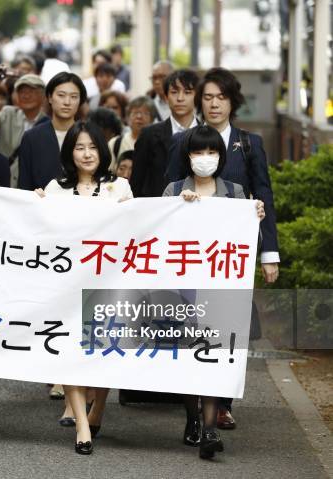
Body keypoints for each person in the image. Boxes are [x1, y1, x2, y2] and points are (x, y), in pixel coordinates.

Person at [165, 68, 281, 429]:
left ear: (233, 102)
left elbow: (263, 196)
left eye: (222, 97)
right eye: (208, 97)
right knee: (190, 326)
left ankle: (222, 403)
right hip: (189, 256)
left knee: (229, 328)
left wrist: (269, 254)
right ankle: (194, 403)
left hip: (231, 256)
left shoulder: (248, 144)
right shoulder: (184, 141)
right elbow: (166, 194)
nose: (214, 104)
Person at [162, 124, 265, 459]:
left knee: (213, 356)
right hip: (184, 290)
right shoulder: (173, 190)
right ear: (187, 155)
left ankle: (208, 429)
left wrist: (256, 220)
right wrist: (178, 208)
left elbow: (251, 246)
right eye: (197, 151)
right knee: (190, 355)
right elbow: (155, 239)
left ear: (221, 157)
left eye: (211, 152)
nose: (204, 158)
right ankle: (193, 419)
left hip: (222, 289)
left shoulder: (235, 193)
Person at [35, 121, 133, 455]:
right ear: (70, 153)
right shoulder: (55, 188)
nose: (87, 153)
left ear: (102, 151)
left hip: (108, 283)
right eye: (79, 147)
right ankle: (81, 424)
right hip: (66, 284)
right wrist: (34, 204)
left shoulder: (120, 188)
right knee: (70, 352)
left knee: (104, 351)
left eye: (92, 147)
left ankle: (99, 409)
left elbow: (135, 231)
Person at [131, 69, 200, 197]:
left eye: (187, 92)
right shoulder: (149, 135)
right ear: (166, 96)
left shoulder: (208, 135)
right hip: (157, 209)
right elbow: (137, 181)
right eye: (174, 92)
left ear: (197, 96)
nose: (180, 98)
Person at [18, 72, 86, 191]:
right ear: (50, 97)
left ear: (80, 101)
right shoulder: (32, 138)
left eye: (74, 97)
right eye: (61, 95)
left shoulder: (89, 135)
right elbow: (24, 185)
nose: (67, 102)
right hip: (41, 205)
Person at [0, 74, 48, 160]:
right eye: (22, 92)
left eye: (31, 92)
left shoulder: (48, 123)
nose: (26, 96)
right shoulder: (8, 114)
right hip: (8, 172)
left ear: (43, 96)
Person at [108, 96, 156, 167]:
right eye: (135, 113)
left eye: (145, 113)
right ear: (127, 118)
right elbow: (109, 171)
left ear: (152, 120)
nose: (139, 117)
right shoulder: (115, 143)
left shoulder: (157, 144)